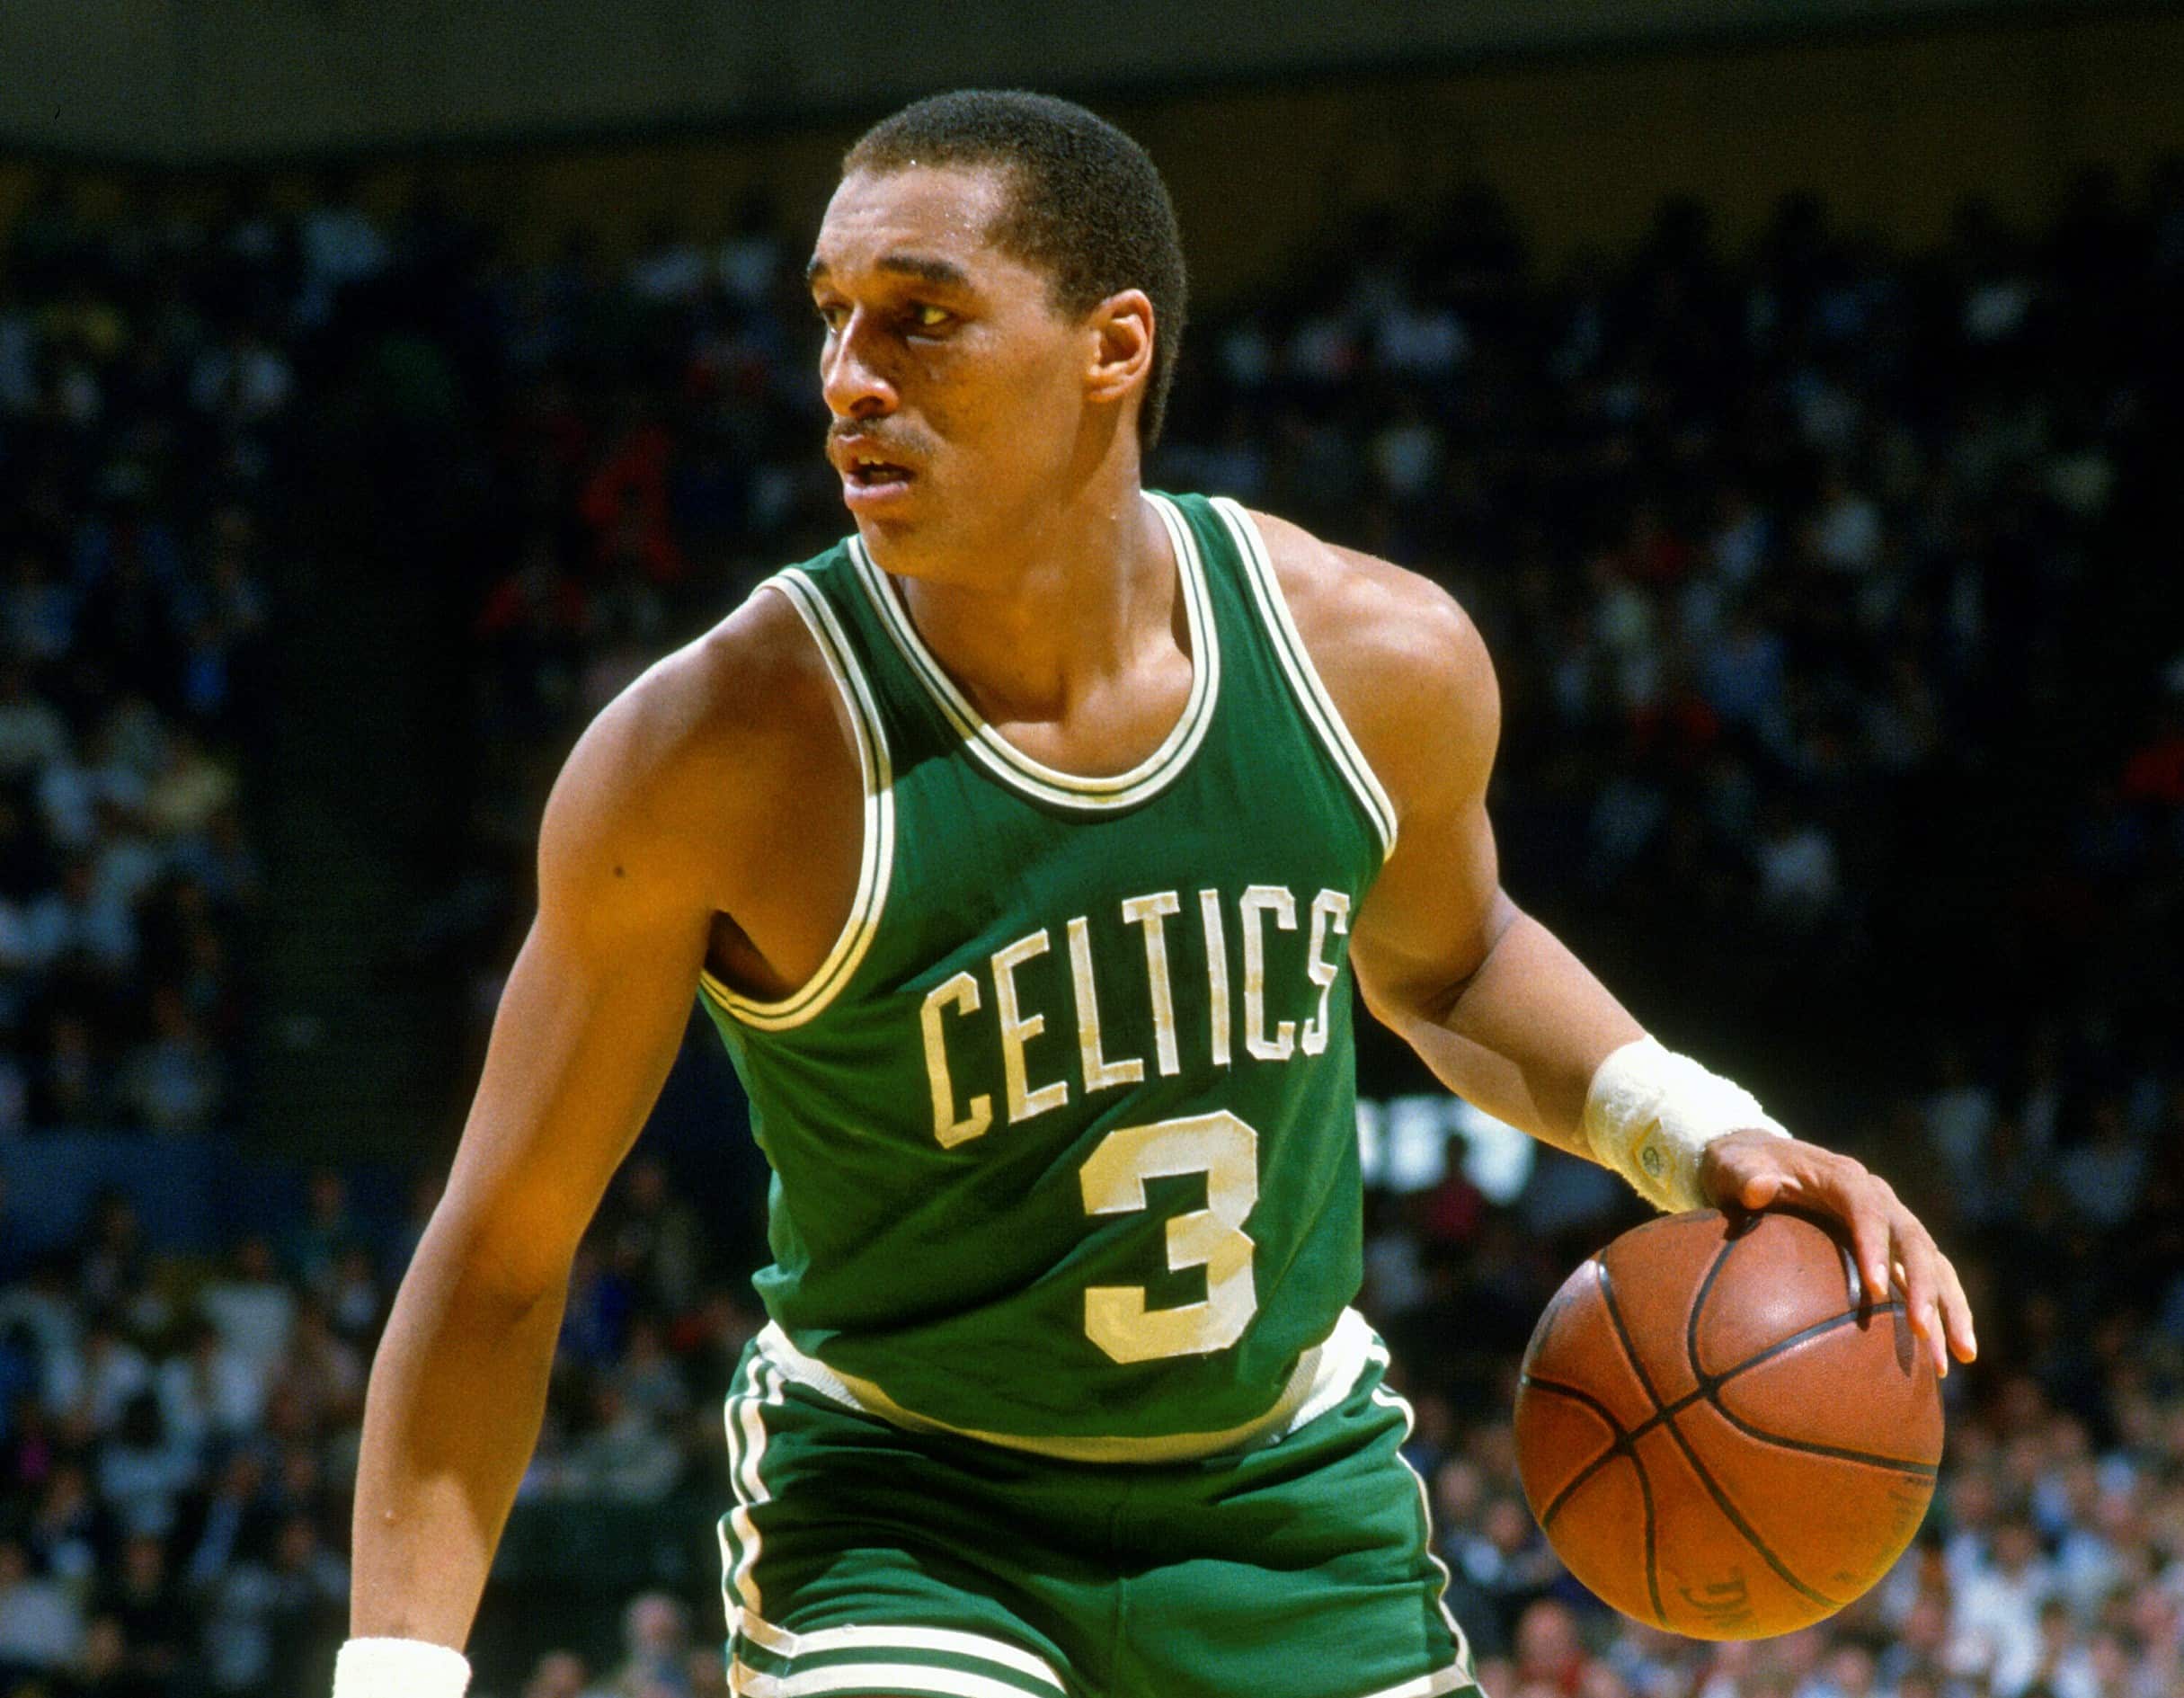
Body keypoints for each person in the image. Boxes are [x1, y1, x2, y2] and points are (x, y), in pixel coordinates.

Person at [341, 92, 1976, 1698]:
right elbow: (498, 1255)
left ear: (1110, 348)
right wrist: (395, 1676)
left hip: (1286, 1495)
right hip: (909, 1504)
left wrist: (1698, 1130)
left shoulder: (1373, 663)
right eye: (831, 319)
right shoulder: (711, 755)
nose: (848, 380)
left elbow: (1455, 960)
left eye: (922, 322)